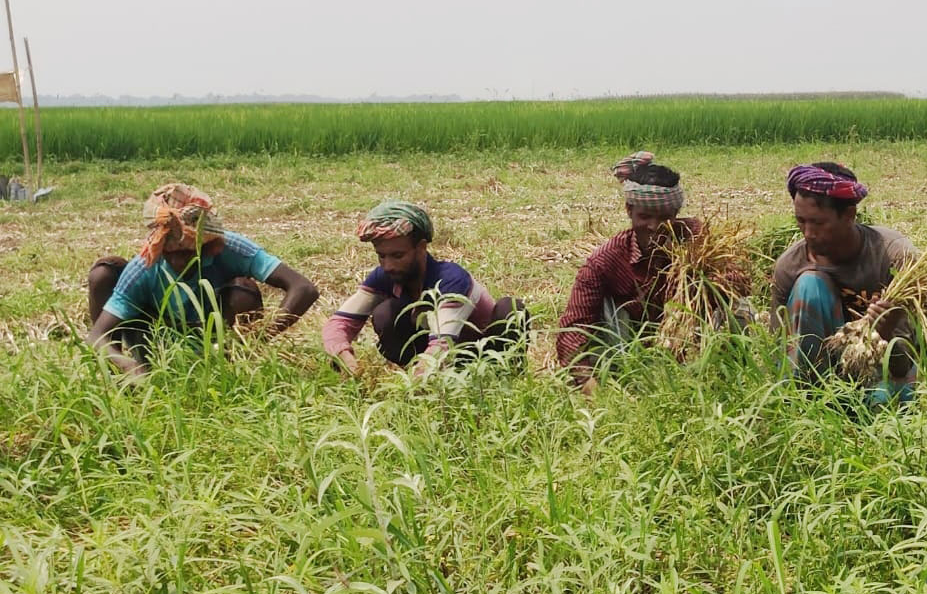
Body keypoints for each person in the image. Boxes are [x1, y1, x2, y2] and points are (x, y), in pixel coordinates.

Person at [86, 182, 319, 377]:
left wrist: (259, 337)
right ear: (162, 249)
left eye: (187, 253)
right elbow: (97, 336)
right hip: (158, 339)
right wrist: (127, 366)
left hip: (214, 333)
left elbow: (303, 288)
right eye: (172, 254)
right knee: (104, 270)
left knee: (244, 291)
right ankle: (120, 377)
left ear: (207, 245)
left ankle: (231, 366)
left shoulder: (231, 248)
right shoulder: (145, 266)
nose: (179, 262)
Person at [771, 162, 918, 405]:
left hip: (880, 371)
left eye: (818, 223)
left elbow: (904, 365)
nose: (807, 233)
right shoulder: (790, 266)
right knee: (809, 284)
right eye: (801, 221)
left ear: (849, 215)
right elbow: (778, 353)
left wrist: (885, 333)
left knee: (889, 403)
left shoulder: (893, 257)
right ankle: (806, 404)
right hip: (822, 376)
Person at [556, 152, 707, 387]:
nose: (654, 227)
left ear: (675, 214)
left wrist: (698, 277)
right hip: (627, 353)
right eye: (644, 217)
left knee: (737, 307)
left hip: (690, 350)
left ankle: (717, 376)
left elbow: (739, 281)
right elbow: (573, 328)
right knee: (607, 308)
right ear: (629, 211)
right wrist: (587, 383)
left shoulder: (699, 240)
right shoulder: (606, 260)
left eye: (664, 219)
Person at [323, 199, 526, 373]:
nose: (388, 265)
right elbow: (339, 323)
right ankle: (415, 372)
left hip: (480, 352)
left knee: (511, 309)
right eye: (381, 256)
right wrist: (345, 357)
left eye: (398, 256)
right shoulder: (385, 276)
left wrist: (414, 386)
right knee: (386, 313)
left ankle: (504, 374)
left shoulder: (451, 279)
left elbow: (442, 345)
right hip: (433, 357)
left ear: (421, 248)